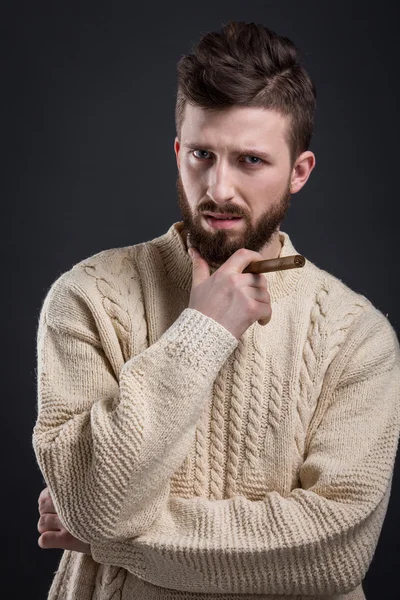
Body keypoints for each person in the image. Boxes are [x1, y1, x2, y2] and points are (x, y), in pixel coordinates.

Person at [33, 20, 400, 600]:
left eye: (250, 160)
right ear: (179, 151)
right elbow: (89, 496)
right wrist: (201, 333)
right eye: (202, 154)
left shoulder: (359, 336)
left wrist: (110, 536)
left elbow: (335, 550)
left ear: (299, 172)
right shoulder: (88, 296)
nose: (219, 188)